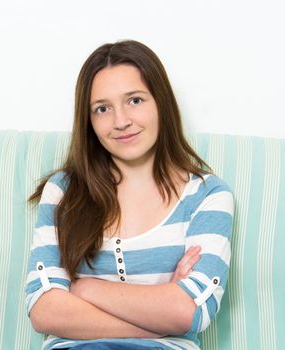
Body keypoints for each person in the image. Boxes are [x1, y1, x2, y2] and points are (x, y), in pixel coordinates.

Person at [25, 40, 234, 350]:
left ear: (161, 102)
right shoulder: (64, 192)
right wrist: (157, 320)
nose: (120, 121)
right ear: (89, 120)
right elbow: (44, 309)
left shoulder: (207, 196)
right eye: (102, 109)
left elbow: (192, 311)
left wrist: (85, 288)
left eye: (134, 100)